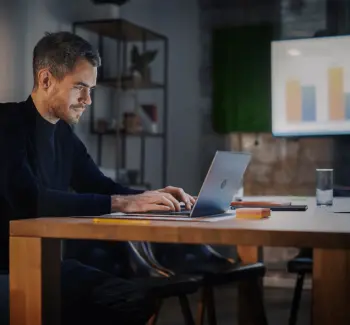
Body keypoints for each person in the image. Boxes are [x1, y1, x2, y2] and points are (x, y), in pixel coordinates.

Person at [0, 31, 195, 324]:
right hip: (9, 269)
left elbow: (101, 186)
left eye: (91, 89)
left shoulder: (64, 134)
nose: (88, 100)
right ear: (45, 80)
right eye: (80, 87)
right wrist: (125, 203)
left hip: (47, 264)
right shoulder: (6, 124)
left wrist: (153, 197)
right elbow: (30, 200)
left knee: (140, 298)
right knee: (126, 300)